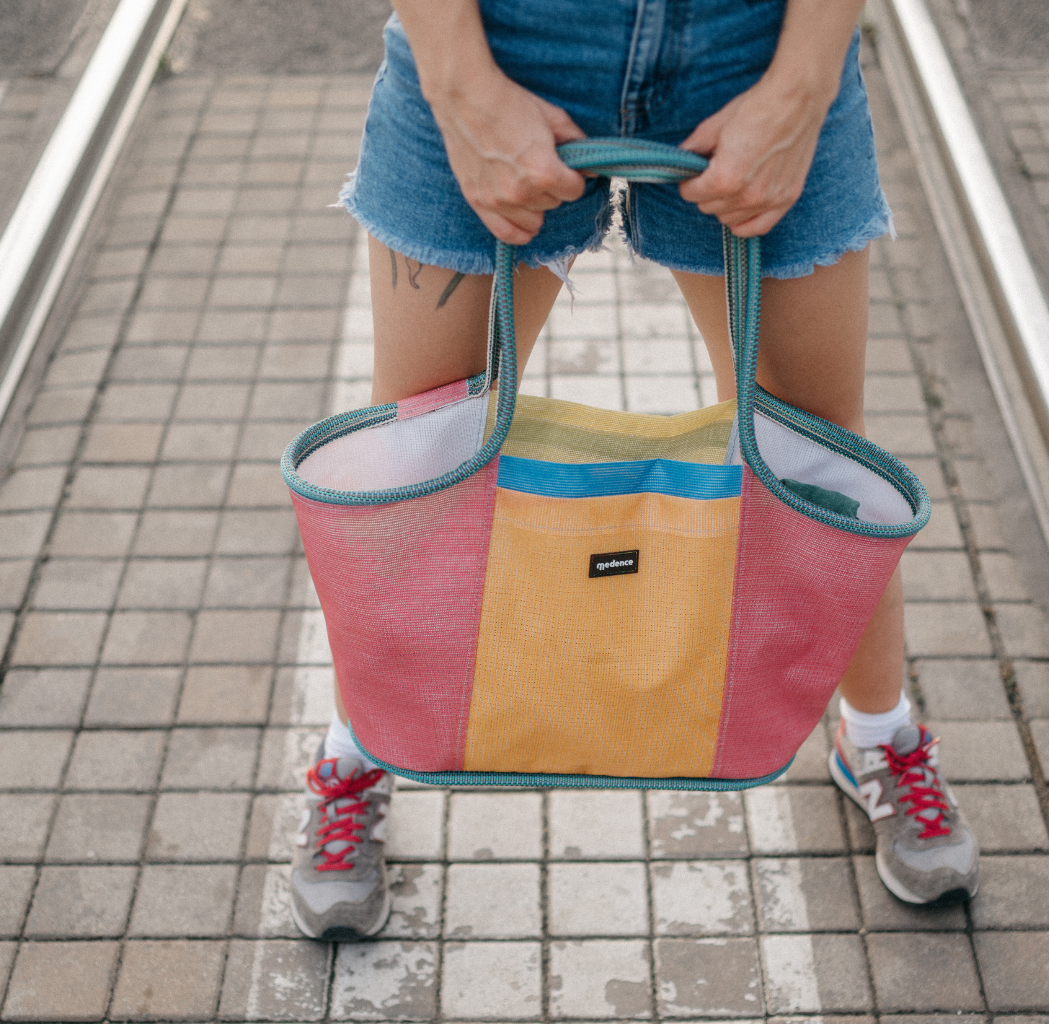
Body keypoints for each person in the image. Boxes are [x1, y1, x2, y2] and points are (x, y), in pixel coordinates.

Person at [288, 0, 980, 942]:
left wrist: (803, 84)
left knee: (817, 454)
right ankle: (360, 751)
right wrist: (460, 85)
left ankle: (879, 739)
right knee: (416, 456)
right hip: (499, 36)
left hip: (756, 40)